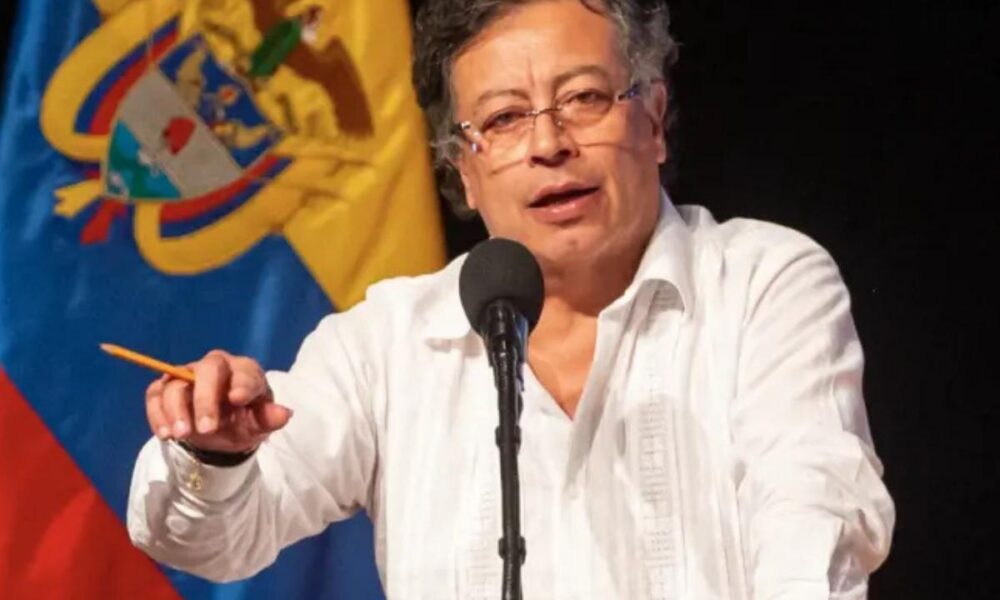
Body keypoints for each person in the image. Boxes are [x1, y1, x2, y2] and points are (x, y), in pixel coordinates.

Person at [127, 0, 895, 598]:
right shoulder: (388, 343)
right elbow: (211, 541)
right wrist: (215, 453)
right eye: (502, 119)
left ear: (654, 119)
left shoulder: (761, 283)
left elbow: (812, 523)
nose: (549, 143)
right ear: (464, 170)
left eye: (584, 98)